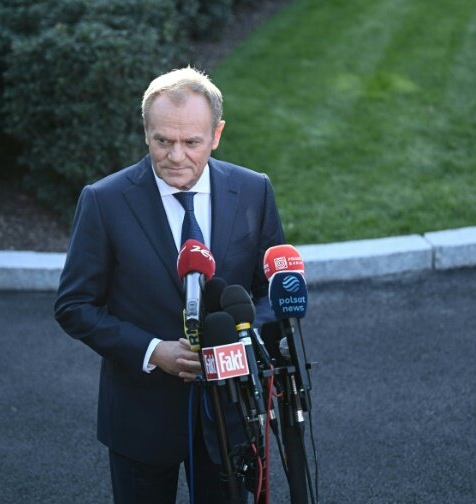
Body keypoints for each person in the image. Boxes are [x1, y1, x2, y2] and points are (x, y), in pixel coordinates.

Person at [54, 66, 285, 504]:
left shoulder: (254, 191)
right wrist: (151, 351)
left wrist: (238, 343)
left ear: (216, 134)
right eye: (163, 141)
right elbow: (74, 305)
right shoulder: (104, 200)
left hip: (231, 411)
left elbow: (270, 292)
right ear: (146, 133)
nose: (176, 156)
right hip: (139, 418)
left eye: (191, 142)